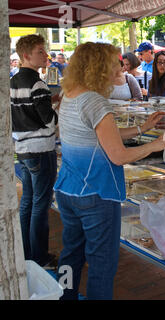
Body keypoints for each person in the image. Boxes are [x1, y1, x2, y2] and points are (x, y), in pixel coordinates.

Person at [54, 42, 165, 300]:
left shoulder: (69, 94)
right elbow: (118, 156)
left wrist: (142, 129)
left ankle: (65, 295)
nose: (120, 65)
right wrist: (157, 144)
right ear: (99, 67)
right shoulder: (95, 101)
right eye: (114, 62)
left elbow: (100, 136)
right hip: (96, 194)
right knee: (102, 263)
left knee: (70, 252)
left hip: (68, 189)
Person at [10, 34, 59, 269]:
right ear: (26, 55)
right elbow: (48, 121)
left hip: (23, 148)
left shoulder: (12, 82)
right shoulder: (38, 83)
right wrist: (58, 110)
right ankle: (39, 256)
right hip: (41, 149)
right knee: (40, 203)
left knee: (28, 201)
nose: (46, 55)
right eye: (40, 51)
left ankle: (27, 252)